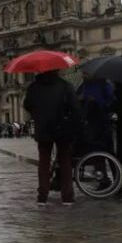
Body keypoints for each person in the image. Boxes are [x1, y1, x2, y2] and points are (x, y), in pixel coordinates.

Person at [23, 70, 79, 206]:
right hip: (63, 127)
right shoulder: (66, 85)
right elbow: (75, 106)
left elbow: (27, 105)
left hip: (43, 127)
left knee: (44, 163)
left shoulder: (34, 87)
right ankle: (67, 196)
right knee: (65, 162)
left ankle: (42, 196)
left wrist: (38, 113)